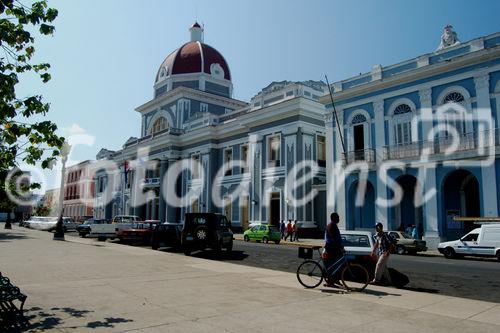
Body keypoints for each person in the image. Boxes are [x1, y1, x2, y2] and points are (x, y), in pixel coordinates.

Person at [323, 213, 345, 286]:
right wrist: (341, 247)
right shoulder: (331, 226)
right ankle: (330, 281)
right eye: (338, 217)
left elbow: (337, 238)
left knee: (337, 264)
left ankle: (335, 279)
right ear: (334, 218)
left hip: (334, 247)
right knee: (333, 265)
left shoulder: (333, 225)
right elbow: (334, 239)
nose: (339, 219)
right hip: (332, 248)